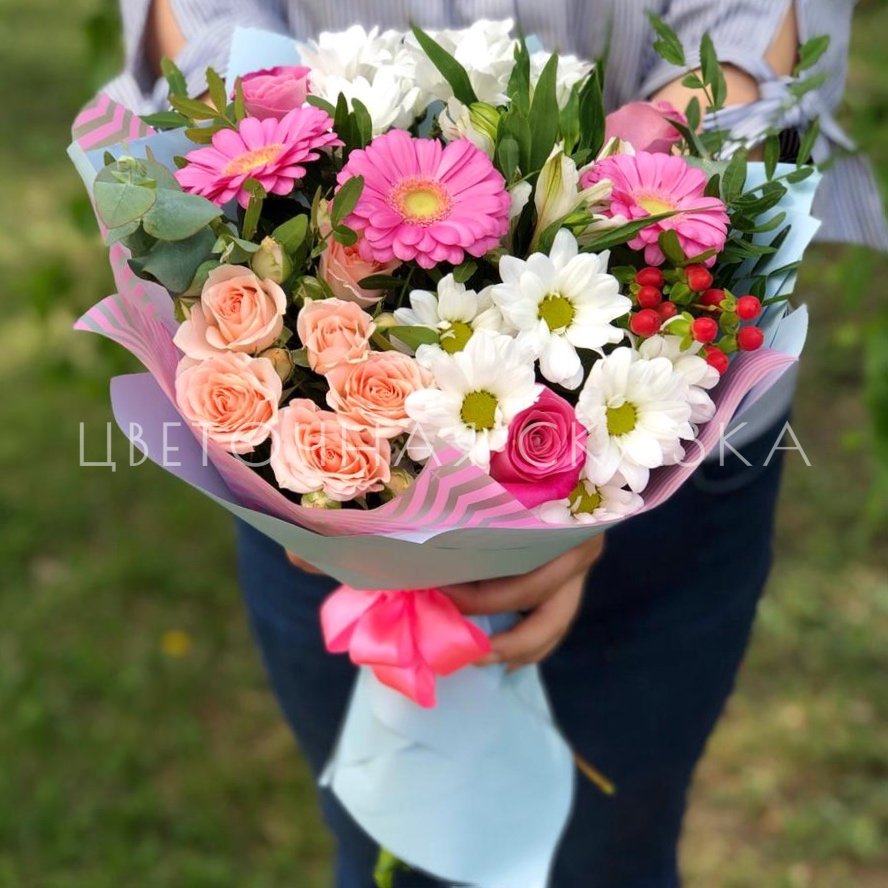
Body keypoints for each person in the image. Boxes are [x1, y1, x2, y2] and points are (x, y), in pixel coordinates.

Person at [103, 2, 886, 886]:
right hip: (309, 484)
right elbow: (206, 23)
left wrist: (589, 482)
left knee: (610, 853)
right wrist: (289, 156)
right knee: (383, 834)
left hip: (671, 444)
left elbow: (743, 42)